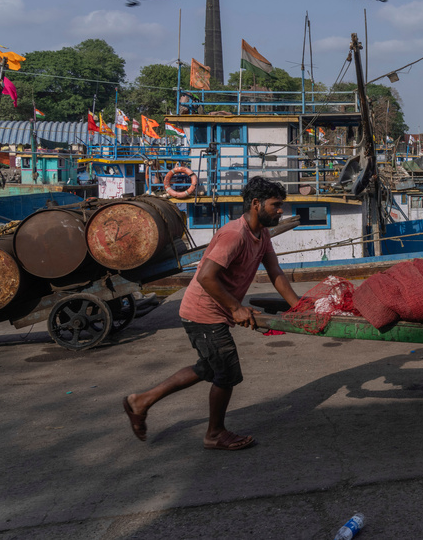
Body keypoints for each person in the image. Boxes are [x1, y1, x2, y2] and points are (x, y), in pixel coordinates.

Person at [123, 176, 300, 450]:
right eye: (276, 205)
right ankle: (214, 434)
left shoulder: (261, 234)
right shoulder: (235, 234)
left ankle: (141, 400)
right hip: (202, 312)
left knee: (208, 367)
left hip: (216, 311)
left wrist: (298, 307)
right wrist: (236, 308)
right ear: (256, 204)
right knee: (226, 373)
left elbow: (275, 272)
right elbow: (206, 277)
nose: (280, 211)